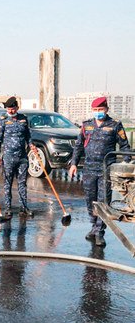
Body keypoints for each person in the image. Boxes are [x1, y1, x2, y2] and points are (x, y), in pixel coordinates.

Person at [69, 96, 131, 246]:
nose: (98, 112)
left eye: (101, 110)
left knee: (103, 201)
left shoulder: (115, 125)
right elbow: (78, 146)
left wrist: (125, 163)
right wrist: (74, 164)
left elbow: (125, 147)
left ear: (106, 110)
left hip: (105, 169)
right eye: (96, 110)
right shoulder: (86, 125)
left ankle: (99, 232)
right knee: (90, 200)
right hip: (89, 168)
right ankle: (93, 226)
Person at [0, 97, 35, 218]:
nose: (10, 111)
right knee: (8, 183)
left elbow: (28, 135)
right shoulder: (3, 120)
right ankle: (8, 208)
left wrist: (31, 144)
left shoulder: (23, 119)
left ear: (17, 108)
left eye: (12, 108)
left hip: (22, 156)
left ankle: (24, 207)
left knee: (22, 183)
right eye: (8, 109)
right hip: (8, 157)